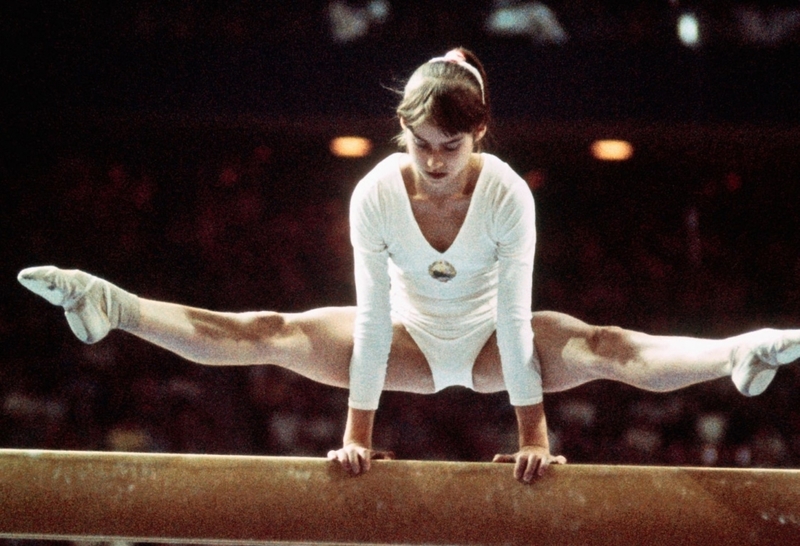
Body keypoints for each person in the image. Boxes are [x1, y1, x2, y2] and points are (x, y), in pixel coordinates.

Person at [17, 49, 800, 484]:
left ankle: (738, 353)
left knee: (603, 344)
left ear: (480, 136)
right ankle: (108, 305)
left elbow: (512, 317)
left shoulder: (506, 197)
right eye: (420, 144)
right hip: (404, 343)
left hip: (500, 346)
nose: (433, 162)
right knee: (270, 329)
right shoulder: (373, 195)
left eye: (450, 148)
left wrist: (534, 433)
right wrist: (357, 433)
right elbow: (370, 316)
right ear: (401, 131)